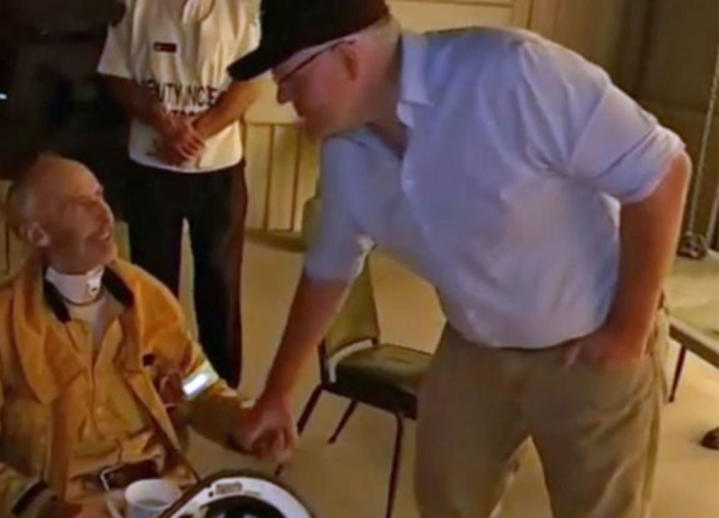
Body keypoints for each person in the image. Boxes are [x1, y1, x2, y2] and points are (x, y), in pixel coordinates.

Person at [227, 1, 693, 516]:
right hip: (474, 344)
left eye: (290, 77)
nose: (283, 95)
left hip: (590, 337)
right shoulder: (347, 151)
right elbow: (328, 270)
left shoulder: (511, 74)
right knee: (447, 501)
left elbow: (662, 171)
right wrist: (277, 393)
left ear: (349, 60)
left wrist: (630, 327)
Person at [0, 155, 276, 518]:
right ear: (36, 234)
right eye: (81, 204)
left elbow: (198, 391)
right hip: (66, 505)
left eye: (100, 196)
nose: (104, 212)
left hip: (160, 494)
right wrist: (40, 507)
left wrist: (241, 421)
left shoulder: (148, 298)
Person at [97, 0, 262, 388]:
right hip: (150, 168)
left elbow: (249, 84)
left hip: (217, 169)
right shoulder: (136, 8)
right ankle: (155, 374)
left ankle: (222, 385)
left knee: (219, 280)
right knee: (152, 280)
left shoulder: (240, 10)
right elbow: (116, 75)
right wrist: (163, 123)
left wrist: (196, 133)